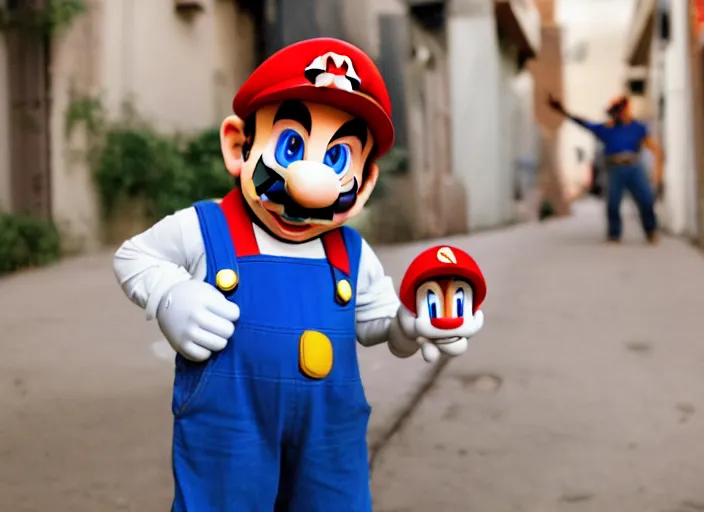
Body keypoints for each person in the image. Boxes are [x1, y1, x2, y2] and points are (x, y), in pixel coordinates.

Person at [112, 38, 486, 511]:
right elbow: (133, 256)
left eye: (337, 159)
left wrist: (407, 325)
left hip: (330, 435)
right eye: (291, 145)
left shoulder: (352, 251)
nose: (312, 185)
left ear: (364, 183)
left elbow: (373, 321)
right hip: (230, 428)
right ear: (238, 146)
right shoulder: (205, 229)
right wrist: (169, 295)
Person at [548, 94, 664, 244]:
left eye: (618, 111)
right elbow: (584, 123)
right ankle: (614, 234)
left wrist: (658, 174)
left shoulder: (637, 128)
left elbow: (653, 148)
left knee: (646, 200)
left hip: (634, 167)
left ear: (625, 110)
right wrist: (563, 111)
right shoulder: (606, 129)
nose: (616, 114)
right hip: (615, 168)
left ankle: (651, 231)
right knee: (613, 203)